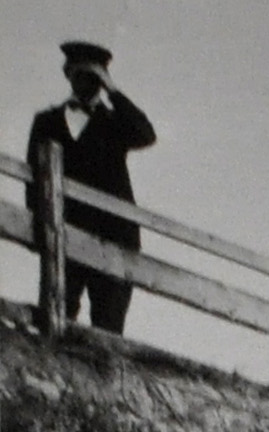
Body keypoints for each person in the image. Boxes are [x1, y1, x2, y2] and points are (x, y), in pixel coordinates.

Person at [24, 40, 155, 333]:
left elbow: (146, 134)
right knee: (56, 319)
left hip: (114, 238)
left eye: (94, 76)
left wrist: (113, 90)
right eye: (81, 74)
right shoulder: (46, 121)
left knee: (108, 330)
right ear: (68, 74)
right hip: (62, 232)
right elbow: (33, 180)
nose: (87, 82)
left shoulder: (115, 123)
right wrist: (39, 229)